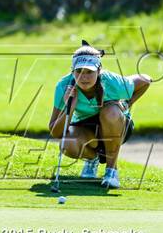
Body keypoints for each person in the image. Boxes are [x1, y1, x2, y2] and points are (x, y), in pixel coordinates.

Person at [49, 40, 152, 188]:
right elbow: (56, 132)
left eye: (89, 72)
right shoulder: (64, 86)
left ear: (99, 70)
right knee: (67, 144)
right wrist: (69, 106)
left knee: (110, 111)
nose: (84, 77)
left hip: (116, 125)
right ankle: (93, 159)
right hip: (86, 128)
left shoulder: (111, 81)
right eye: (79, 72)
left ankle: (111, 171)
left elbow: (146, 80)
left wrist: (126, 104)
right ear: (72, 71)